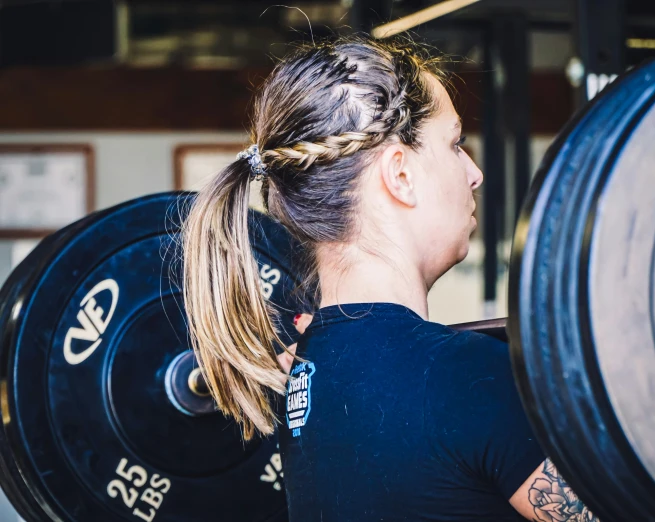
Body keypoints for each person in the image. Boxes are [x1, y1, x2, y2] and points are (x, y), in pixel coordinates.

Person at [181, 35, 599, 522]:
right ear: (400, 175)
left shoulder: (300, 376)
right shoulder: (467, 377)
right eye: (455, 144)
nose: (474, 173)